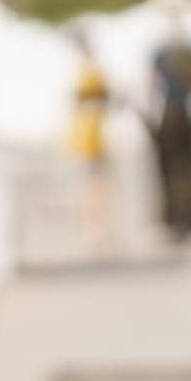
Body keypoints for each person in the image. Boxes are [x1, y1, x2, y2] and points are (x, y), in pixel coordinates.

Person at [140, 0, 191, 242]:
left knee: (183, 163)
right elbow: (152, 83)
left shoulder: (184, 46)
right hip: (170, 108)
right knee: (172, 163)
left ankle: (189, 217)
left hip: (178, 108)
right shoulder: (168, 46)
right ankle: (177, 217)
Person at [63, 24, 117, 256]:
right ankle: (96, 231)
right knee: (90, 184)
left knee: (94, 185)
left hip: (93, 135)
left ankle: (99, 232)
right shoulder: (87, 70)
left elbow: (103, 99)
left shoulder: (91, 72)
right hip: (86, 134)